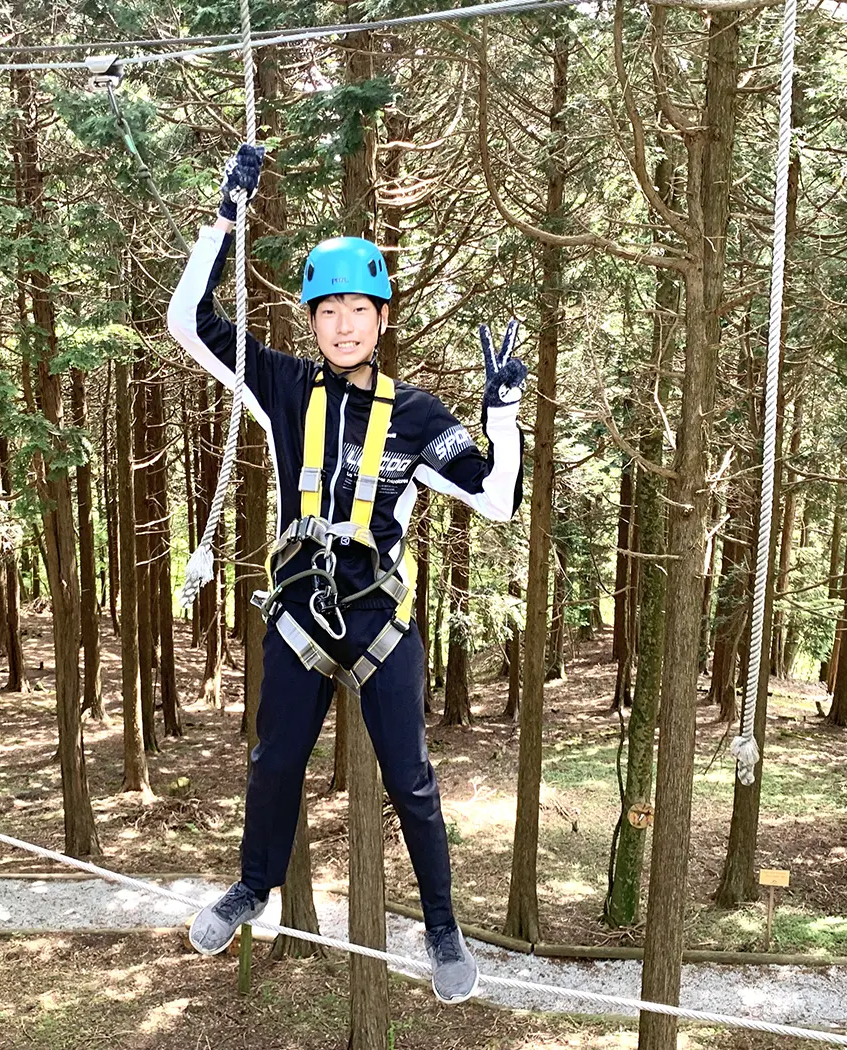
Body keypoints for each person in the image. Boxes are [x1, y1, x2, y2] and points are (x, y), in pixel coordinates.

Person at [166, 144, 527, 1004]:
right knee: (273, 763)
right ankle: (254, 885)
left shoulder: (418, 415)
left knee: (412, 780)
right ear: (313, 321)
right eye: (328, 311)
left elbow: (498, 498)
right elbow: (188, 322)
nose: (343, 325)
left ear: (381, 319)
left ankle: (442, 930)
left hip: (379, 618)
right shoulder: (285, 389)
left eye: (358, 310)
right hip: (298, 611)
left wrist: (503, 416)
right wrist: (225, 221)